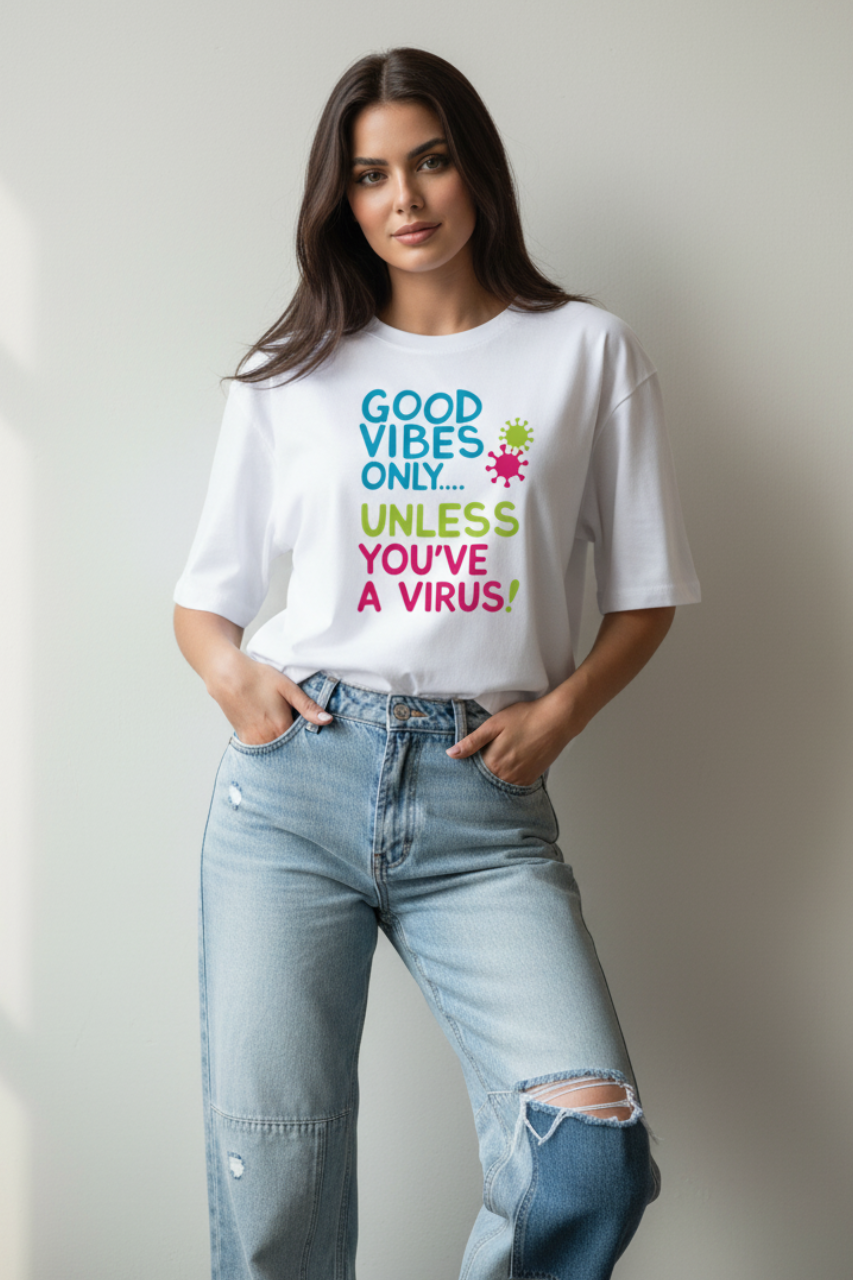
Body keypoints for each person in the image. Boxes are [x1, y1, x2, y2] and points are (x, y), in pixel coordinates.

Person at [173, 46, 700, 1280]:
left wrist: (560, 715)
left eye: (429, 160)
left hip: (483, 803)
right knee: (276, 1191)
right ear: (341, 201)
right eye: (369, 176)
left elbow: (646, 594)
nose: (403, 198)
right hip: (291, 791)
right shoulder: (292, 375)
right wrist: (236, 679)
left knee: (587, 1150)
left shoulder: (585, 352)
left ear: (475, 172)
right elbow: (207, 603)